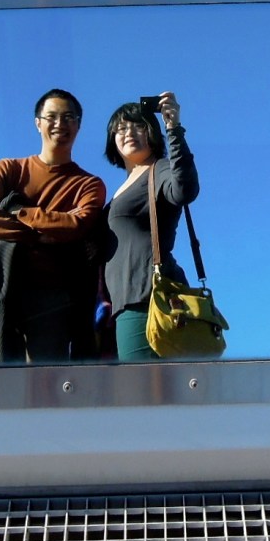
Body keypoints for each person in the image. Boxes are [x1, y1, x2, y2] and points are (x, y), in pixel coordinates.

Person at [0, 89, 106, 364]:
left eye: (68, 117)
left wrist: (18, 212)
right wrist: (45, 233)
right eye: (52, 117)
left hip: (51, 293)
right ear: (38, 123)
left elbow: (77, 226)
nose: (60, 124)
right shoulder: (9, 169)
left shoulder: (88, 184)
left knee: (40, 379)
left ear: (78, 125)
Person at [101, 91, 199, 361]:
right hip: (122, 302)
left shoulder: (160, 169)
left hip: (146, 298)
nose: (129, 132)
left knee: (142, 383)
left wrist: (173, 128)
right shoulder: (119, 189)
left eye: (138, 126)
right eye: (121, 128)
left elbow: (184, 189)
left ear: (152, 132)